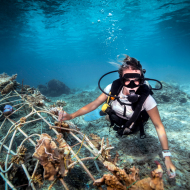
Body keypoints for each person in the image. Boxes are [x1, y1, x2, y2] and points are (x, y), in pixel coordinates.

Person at [58, 55, 176, 178]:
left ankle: (109, 113)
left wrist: (167, 157)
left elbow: (158, 126)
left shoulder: (147, 99)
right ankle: (105, 111)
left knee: (131, 132)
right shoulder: (112, 88)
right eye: (127, 79)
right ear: (121, 78)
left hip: (133, 121)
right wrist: (71, 116)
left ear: (142, 79)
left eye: (136, 80)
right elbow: (93, 104)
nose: (132, 84)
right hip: (116, 114)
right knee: (109, 116)